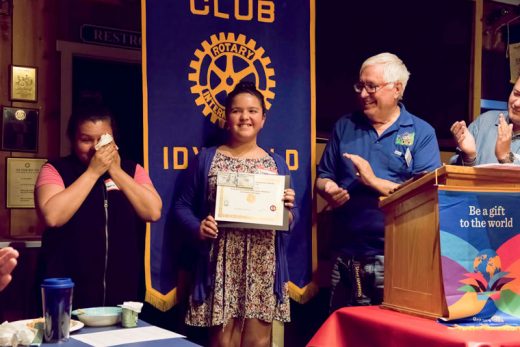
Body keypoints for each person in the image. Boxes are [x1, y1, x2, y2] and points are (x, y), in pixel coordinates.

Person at [174, 81, 298, 347]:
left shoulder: (276, 164)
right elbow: (181, 207)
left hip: (262, 262)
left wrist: (287, 210)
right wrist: (199, 227)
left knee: (259, 342)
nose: (245, 117)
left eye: (253, 111)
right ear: (226, 118)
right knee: (222, 341)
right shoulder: (206, 159)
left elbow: (288, 221)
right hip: (220, 261)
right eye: (237, 111)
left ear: (263, 119)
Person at [316, 52, 441, 311]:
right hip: (347, 255)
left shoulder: (421, 132)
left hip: (398, 258)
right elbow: (324, 175)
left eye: (371, 86)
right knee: (343, 332)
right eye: (360, 85)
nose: (363, 93)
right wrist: (328, 189)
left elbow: (427, 195)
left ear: (397, 89)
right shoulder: (345, 126)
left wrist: (373, 181)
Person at [35, 102, 162, 308]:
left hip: (122, 294)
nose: (95, 148)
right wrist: (93, 172)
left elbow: (153, 211)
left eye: (103, 139)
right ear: (73, 139)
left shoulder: (132, 169)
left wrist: (116, 172)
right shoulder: (55, 169)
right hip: (66, 293)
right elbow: (53, 216)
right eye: (86, 140)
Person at [450, 77, 520, 165]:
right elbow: (454, 173)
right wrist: (469, 157)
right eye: (516, 94)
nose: (517, 103)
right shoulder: (484, 121)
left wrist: (505, 158)